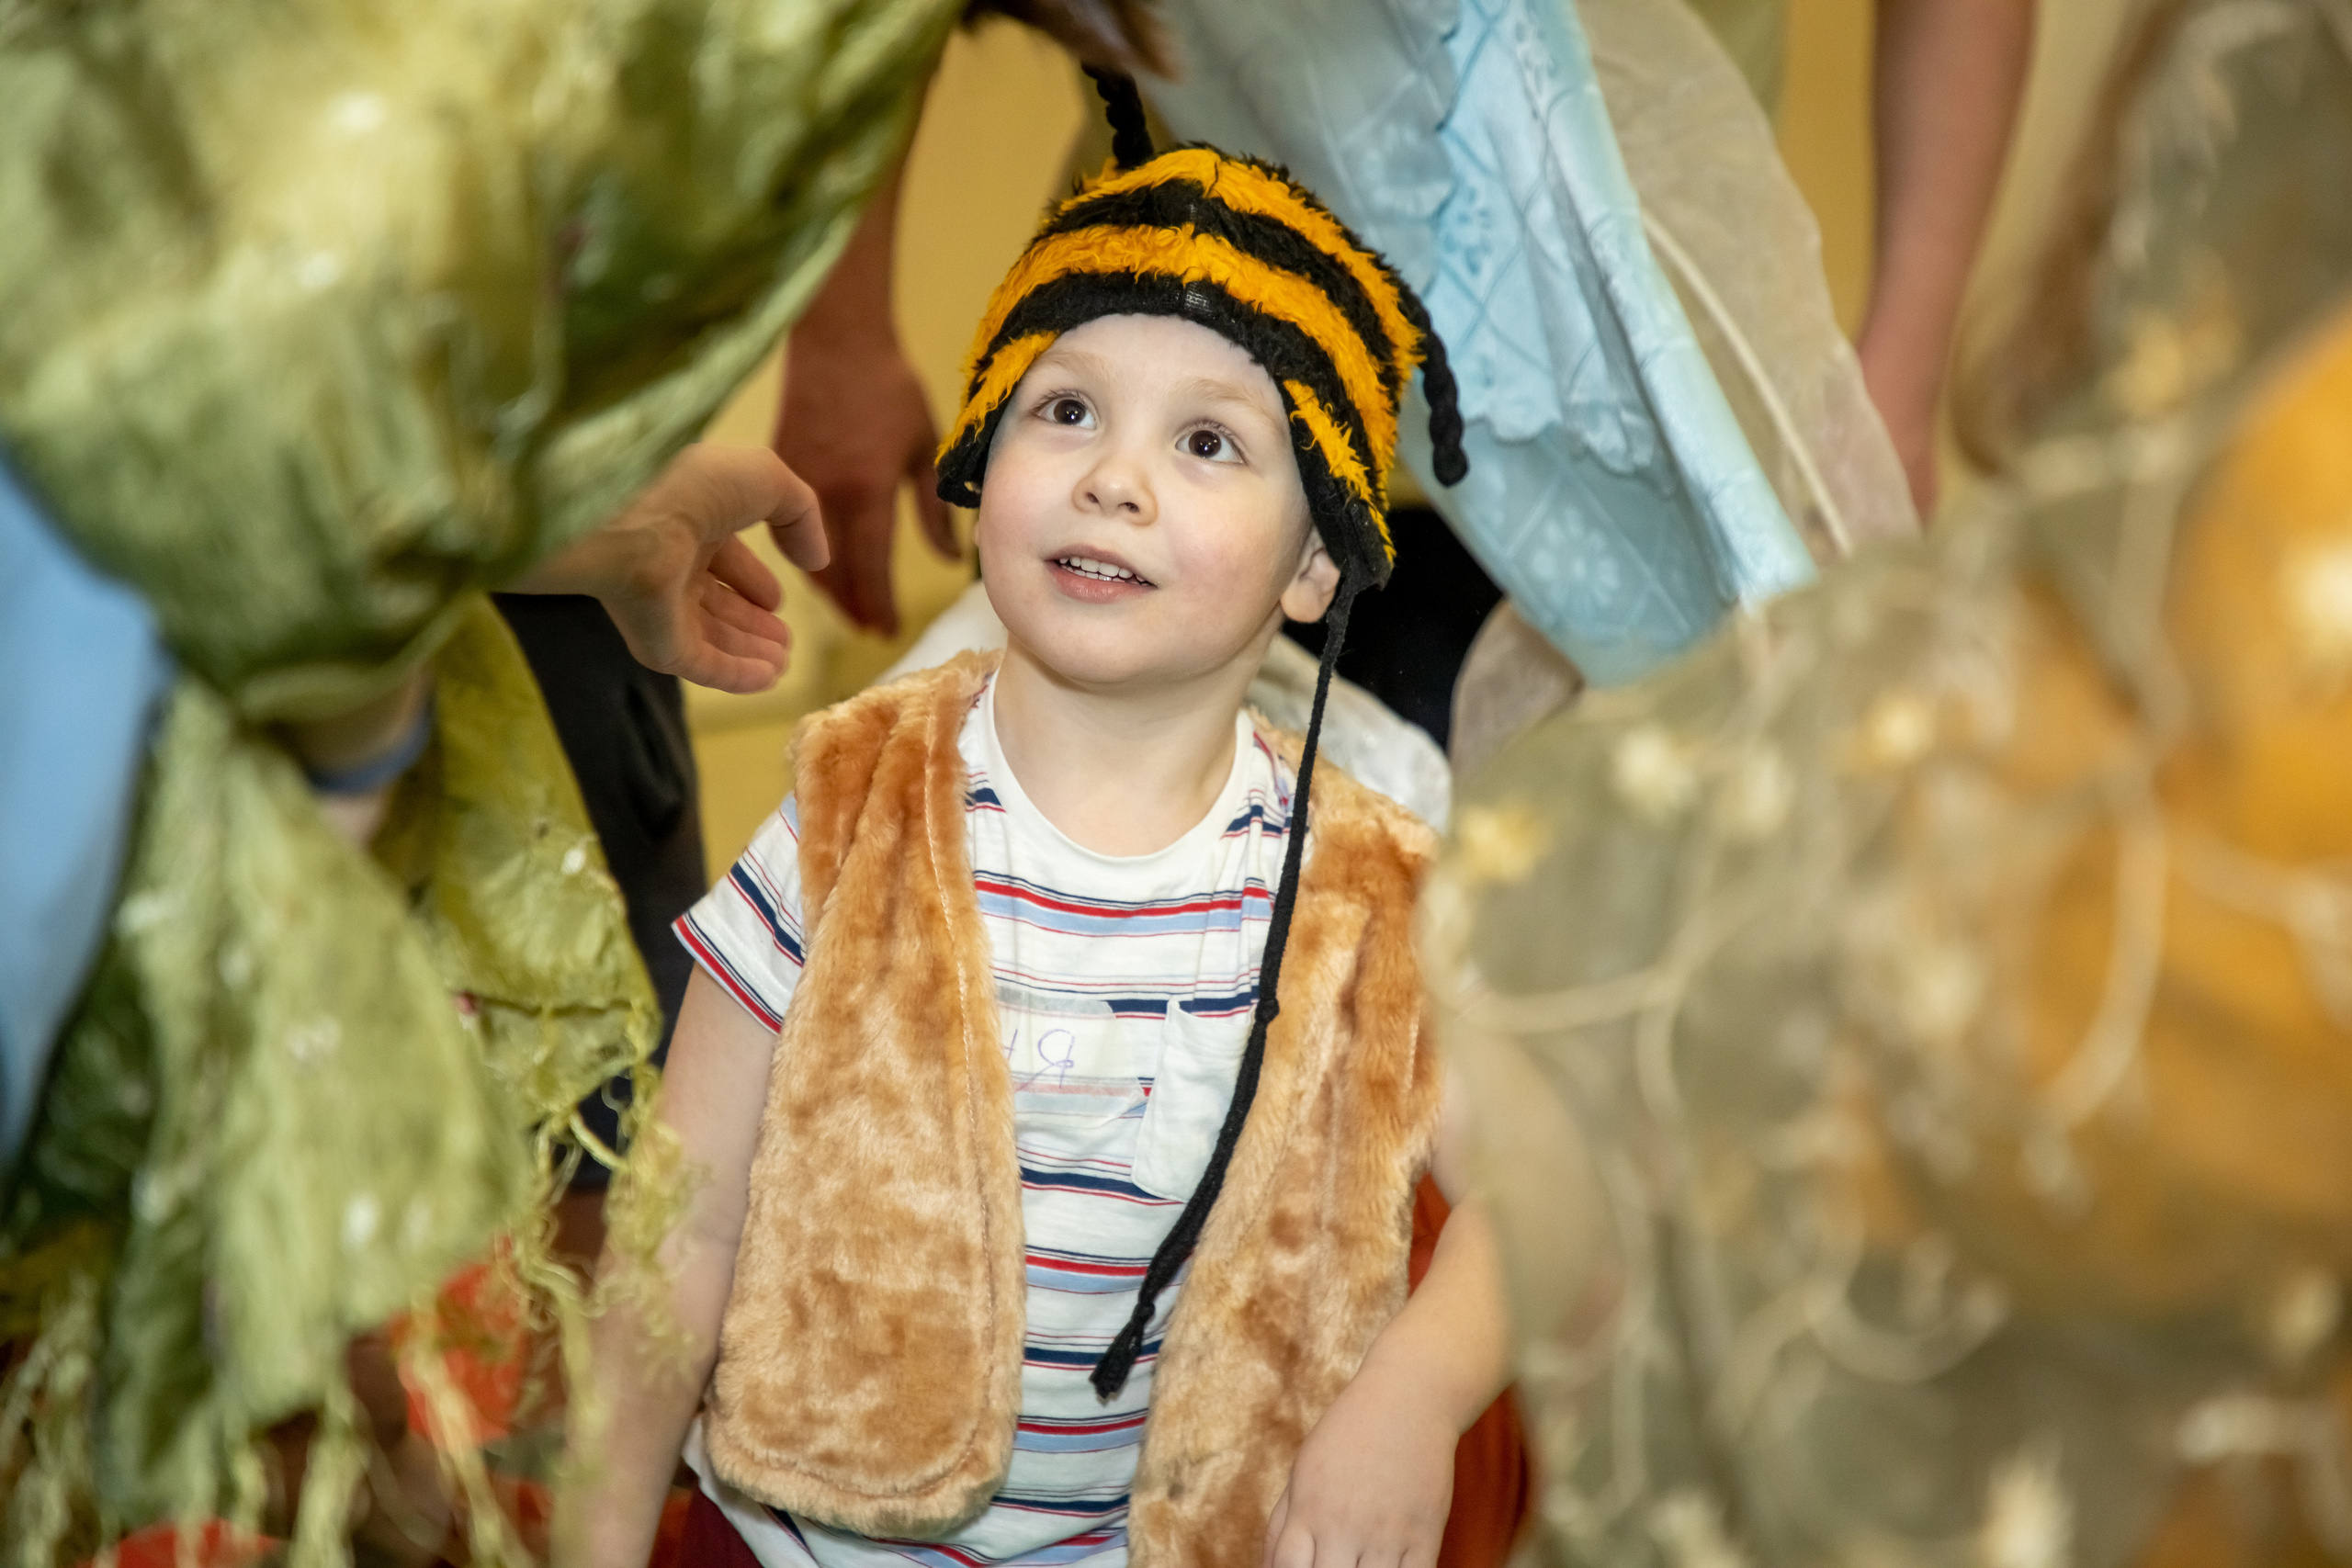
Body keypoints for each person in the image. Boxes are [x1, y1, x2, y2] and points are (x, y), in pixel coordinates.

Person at [564, 109, 1512, 1568]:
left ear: (1317, 561)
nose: (1111, 478)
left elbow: (1551, 1205)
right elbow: (673, 1236)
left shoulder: (1372, 896)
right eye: (1065, 410)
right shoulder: (850, 801)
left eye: (1206, 440)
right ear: (982, 458)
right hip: (788, 1544)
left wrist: (1417, 1397)